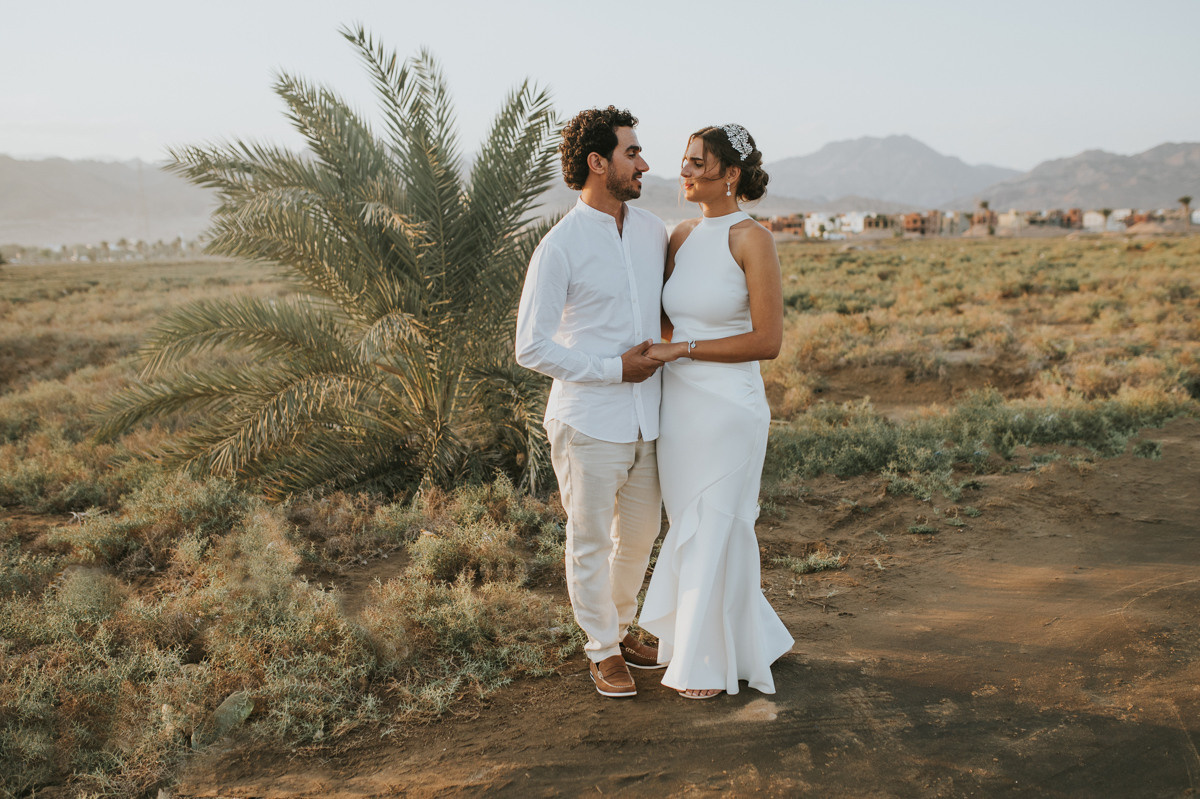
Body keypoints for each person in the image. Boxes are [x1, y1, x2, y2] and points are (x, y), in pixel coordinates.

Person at [515, 107, 670, 698]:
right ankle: (601, 648)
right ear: (597, 163)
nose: (644, 163)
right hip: (588, 421)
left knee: (637, 537)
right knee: (588, 539)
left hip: (648, 420)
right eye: (632, 153)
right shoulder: (560, 247)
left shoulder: (654, 230)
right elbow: (530, 345)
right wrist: (613, 369)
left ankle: (621, 625)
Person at [640, 124, 795, 700]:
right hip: (680, 406)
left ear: (730, 174)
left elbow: (768, 340)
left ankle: (706, 661)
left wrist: (683, 349)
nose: (685, 171)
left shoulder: (752, 238)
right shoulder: (679, 236)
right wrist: (660, 349)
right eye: (684, 162)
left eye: (698, 163)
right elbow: (664, 315)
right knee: (690, 524)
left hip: (730, 408)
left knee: (717, 523)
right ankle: (739, 639)